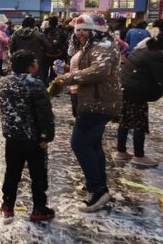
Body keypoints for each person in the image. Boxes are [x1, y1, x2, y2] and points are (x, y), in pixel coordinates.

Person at [55, 13, 121, 212]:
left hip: (99, 102)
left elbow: (100, 70)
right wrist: (67, 69)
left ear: (97, 31)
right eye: (78, 30)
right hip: (93, 100)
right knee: (93, 145)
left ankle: (97, 190)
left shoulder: (103, 46)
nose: (81, 34)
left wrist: (69, 78)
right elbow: (91, 67)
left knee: (80, 144)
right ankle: (99, 184)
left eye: (85, 30)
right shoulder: (94, 46)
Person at [0, 50, 55, 221]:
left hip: (12, 137)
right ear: (31, 66)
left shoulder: (2, 83)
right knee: (38, 173)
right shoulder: (35, 84)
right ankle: (39, 207)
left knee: (12, 171)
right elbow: (45, 114)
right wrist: (46, 136)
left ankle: (7, 205)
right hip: (33, 138)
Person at [117, 29, 163, 166]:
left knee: (124, 121)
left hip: (124, 88)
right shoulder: (157, 56)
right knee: (139, 123)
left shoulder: (143, 50)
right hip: (136, 92)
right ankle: (138, 156)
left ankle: (121, 151)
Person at [9, 17, 50, 83]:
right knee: (37, 82)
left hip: (19, 61)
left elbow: (12, 50)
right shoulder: (39, 35)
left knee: (19, 81)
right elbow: (48, 47)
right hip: (35, 63)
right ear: (33, 25)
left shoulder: (15, 35)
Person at [42, 16, 69, 84]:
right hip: (58, 55)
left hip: (46, 55)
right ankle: (54, 88)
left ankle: (45, 87)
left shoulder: (44, 32)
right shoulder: (62, 32)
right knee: (56, 72)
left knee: (44, 72)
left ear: (49, 23)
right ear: (57, 23)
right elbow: (65, 43)